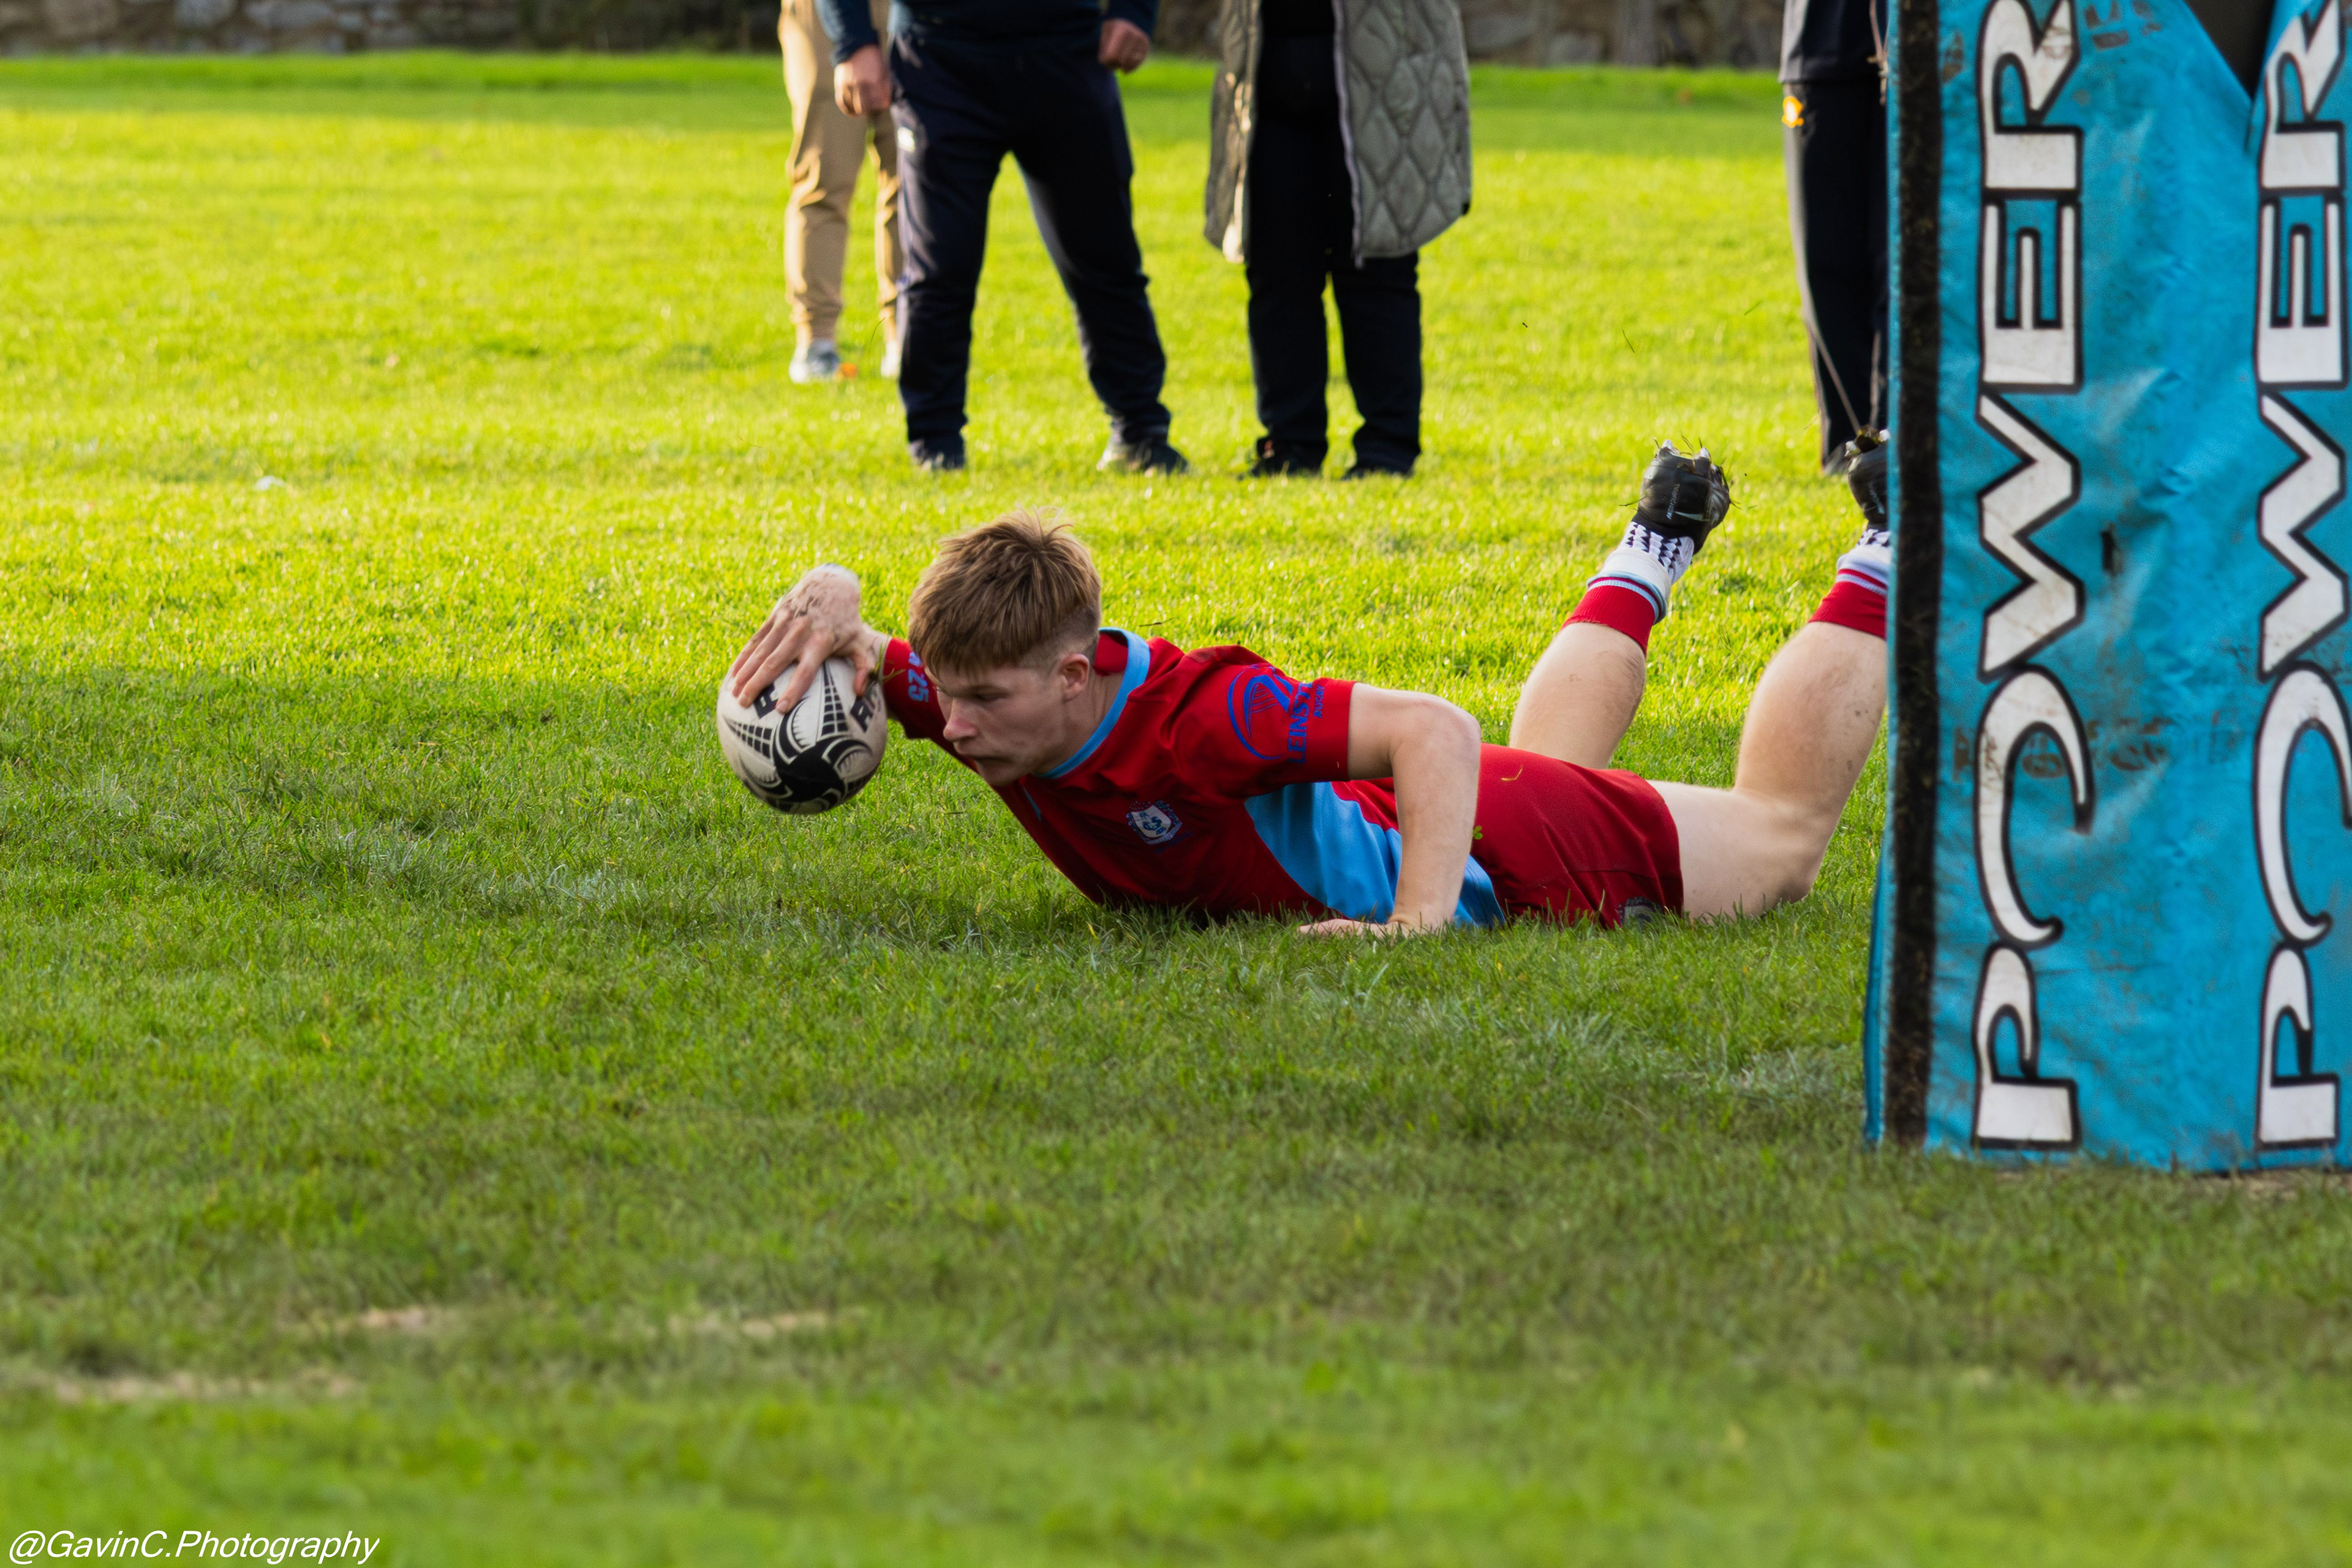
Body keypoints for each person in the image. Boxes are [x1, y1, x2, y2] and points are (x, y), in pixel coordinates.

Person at [726, 441, 1895, 933]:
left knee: (1783, 845)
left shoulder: (1200, 722)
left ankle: (1891, 546)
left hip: (1510, 850)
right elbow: (881, 652)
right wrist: (834, 590)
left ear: (1074, 676)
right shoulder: (993, 702)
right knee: (1555, 764)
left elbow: (1435, 730)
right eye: (947, 694)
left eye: (978, 701)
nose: (949, 720)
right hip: (1472, 807)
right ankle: (1653, 545)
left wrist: (1418, 925)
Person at [819, 0, 1186, 476]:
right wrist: (852, 41)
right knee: (941, 265)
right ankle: (935, 445)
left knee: (1104, 258)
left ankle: (1140, 435)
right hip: (940, 58)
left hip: (1068, 48)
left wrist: (1133, 11)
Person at [1204, 0, 1470, 479]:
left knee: (1378, 268)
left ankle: (1387, 451)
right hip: (1267, 91)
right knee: (1277, 275)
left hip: (1386, 87)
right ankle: (1289, 446)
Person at [1780, 0, 1887, 472]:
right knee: (1825, 261)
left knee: (1904, 261)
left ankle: (1900, 436)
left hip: (1928, 56)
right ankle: (1853, 450)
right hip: (1820, 46)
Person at [781, 0, 901, 385]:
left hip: (912, 12)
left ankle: (906, 337)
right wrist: (851, 42)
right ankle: (816, 343)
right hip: (825, 14)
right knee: (825, 176)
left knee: (914, 183)